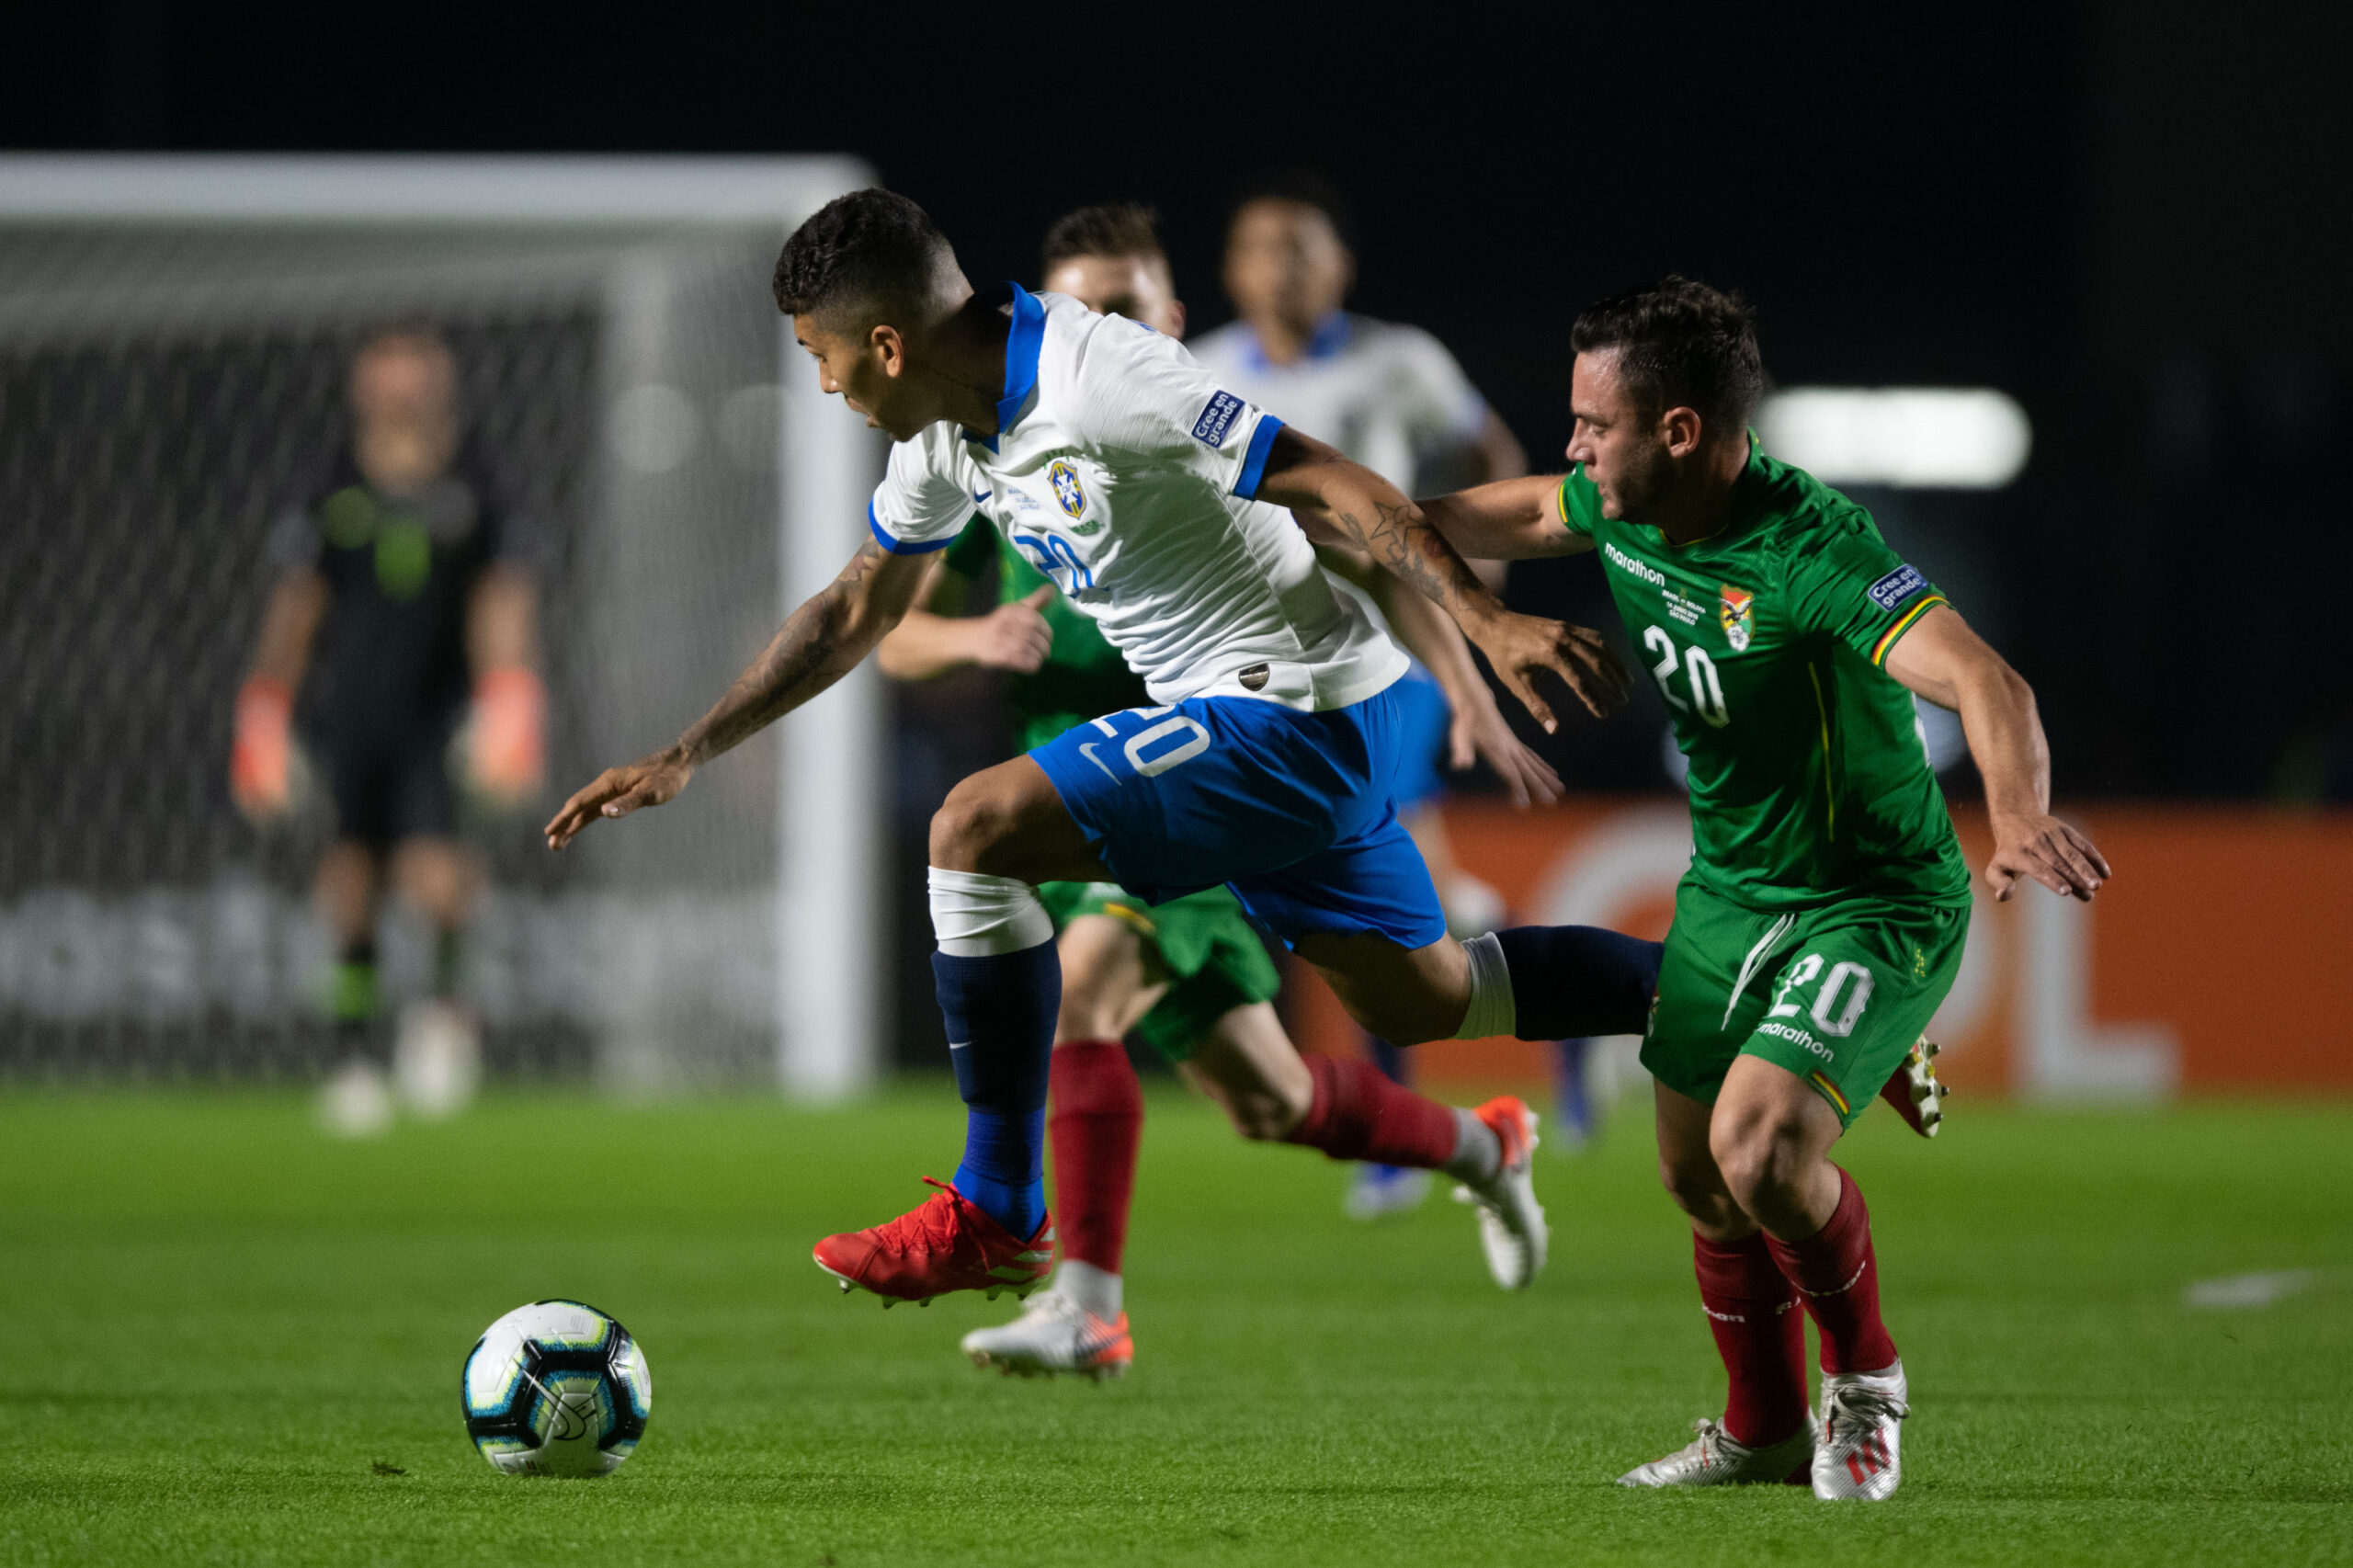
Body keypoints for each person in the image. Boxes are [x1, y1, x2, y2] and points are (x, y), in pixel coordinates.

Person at [543, 189, 1660, 1346]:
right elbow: (856, 605)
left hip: (1294, 709)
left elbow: (1333, 483)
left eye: (823, 358)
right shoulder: (945, 433)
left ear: (886, 343)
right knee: (1425, 999)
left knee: (972, 829)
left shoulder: (1101, 378)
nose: (826, 388)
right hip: (1287, 721)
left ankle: (999, 1210)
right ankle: (1703, 987)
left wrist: (1486, 622)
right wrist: (688, 749)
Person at [1418, 277, 2111, 1501]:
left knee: (1759, 1143)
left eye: (1593, 424)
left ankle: (1868, 1382)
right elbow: (1464, 515)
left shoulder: (1811, 550)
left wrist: (2014, 817)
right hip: (1733, 890)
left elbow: (1989, 683)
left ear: (1680, 432)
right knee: (1693, 1172)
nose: (1572, 447)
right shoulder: (1620, 506)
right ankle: (1763, 1429)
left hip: (1873, 898)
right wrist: (1316, 518)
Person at [874, 203, 1586, 1379]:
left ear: (1170, 318)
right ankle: (1482, 1143)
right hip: (1096, 793)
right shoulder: (993, 459)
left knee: (1088, 987)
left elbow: (1380, 551)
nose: (1096, 324)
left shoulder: (1180, 435)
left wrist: (1468, 680)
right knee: (1272, 1096)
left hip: (1207, 764)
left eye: (1124, 305)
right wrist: (970, 641)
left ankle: (1085, 1305)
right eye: (1078, 304)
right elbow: (887, 630)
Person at [1189, 172, 1597, 1205]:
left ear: (1340, 264)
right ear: (1232, 268)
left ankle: (1399, 1141)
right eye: (1261, 246)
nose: (1281, 265)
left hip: (1392, 658)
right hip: (1268, 666)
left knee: (1369, 892)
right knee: (1422, 901)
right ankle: (1565, 1002)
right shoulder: (1200, 373)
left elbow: (1492, 453)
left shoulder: (1398, 358)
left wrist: (1477, 601)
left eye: (1302, 246)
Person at [233, 324, 544, 1134]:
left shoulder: (474, 484)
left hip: (436, 716)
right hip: (348, 716)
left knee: (439, 881)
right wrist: (264, 710)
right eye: (388, 377)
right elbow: (298, 605)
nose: (402, 391)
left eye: (416, 376)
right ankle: (351, 1057)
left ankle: (443, 1016)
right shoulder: (332, 485)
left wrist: (510, 698)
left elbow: (501, 597)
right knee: (350, 889)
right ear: (363, 388)